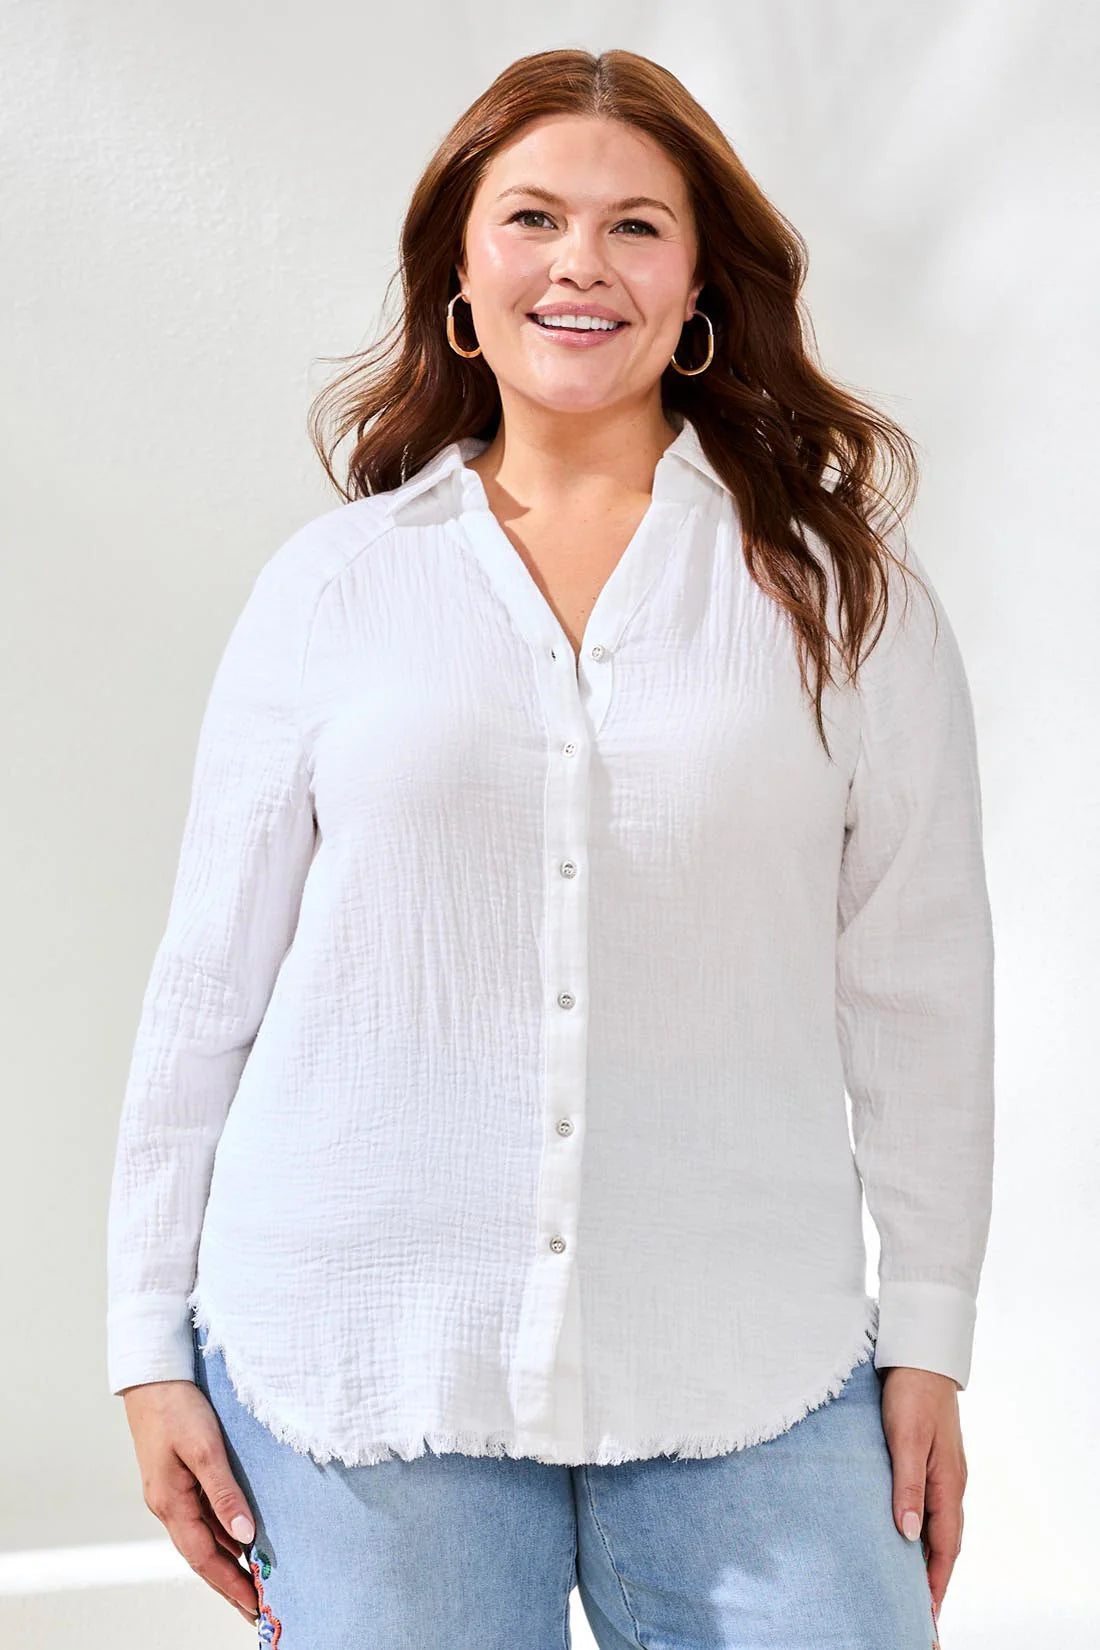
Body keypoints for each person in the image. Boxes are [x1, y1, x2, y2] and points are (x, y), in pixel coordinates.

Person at [106, 46, 993, 1650]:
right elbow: (203, 987)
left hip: (746, 1354)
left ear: (701, 283)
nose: (582, 262)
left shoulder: (846, 603)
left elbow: (923, 992)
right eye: (534, 217)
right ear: (462, 265)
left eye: (636, 226)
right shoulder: (333, 590)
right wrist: (144, 1344)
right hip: (368, 1361)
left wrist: (927, 1334)